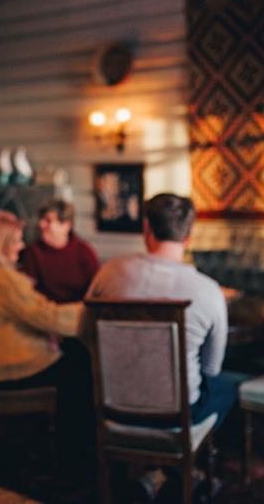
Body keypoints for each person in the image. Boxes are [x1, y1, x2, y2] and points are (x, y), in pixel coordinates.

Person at [87, 193, 235, 499]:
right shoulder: (208, 292)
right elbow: (211, 367)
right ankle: (185, 470)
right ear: (189, 235)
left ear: (146, 229)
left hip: (112, 411)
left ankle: (155, 473)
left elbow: (85, 335)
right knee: (225, 387)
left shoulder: (110, 272)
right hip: (176, 419)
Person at [0, 210, 93, 475]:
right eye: (16, 241)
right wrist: (92, 308)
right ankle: (75, 454)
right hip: (5, 369)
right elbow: (48, 317)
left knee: (75, 355)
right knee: (81, 365)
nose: (22, 246)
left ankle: (68, 443)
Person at [22, 199, 99, 303]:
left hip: (79, 309)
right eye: (41, 219)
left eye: (48, 221)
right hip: (45, 310)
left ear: (66, 226)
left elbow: (96, 288)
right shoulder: (33, 252)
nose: (41, 224)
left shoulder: (84, 251)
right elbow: (29, 293)